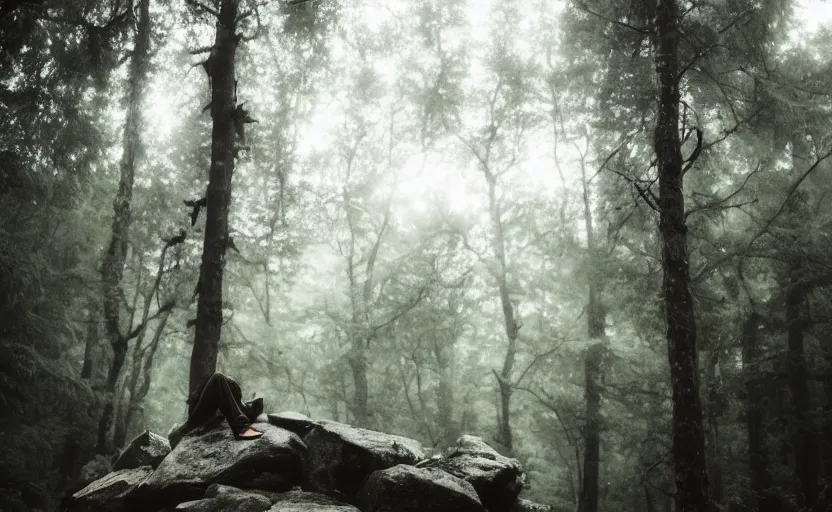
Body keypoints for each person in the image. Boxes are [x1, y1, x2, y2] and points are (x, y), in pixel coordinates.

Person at [169, 372, 264, 447]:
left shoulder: (240, 409)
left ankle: (242, 425)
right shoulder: (231, 403)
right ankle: (240, 428)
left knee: (221, 379)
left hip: (211, 414)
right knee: (219, 378)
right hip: (198, 417)